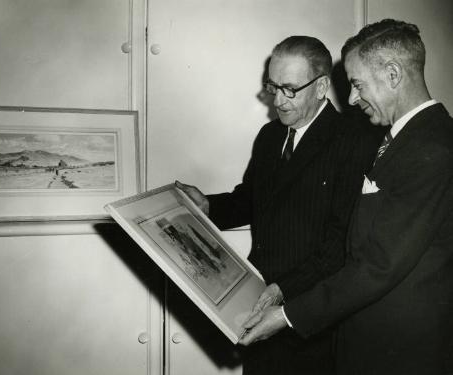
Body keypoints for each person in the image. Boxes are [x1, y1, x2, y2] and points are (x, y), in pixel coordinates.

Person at [238, 19, 453, 375]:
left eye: (356, 84)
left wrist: (288, 315)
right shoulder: (401, 140)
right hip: (372, 343)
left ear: (393, 75)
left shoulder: (432, 147)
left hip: (402, 352)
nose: (351, 98)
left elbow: (378, 264)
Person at [177, 35, 381, 374]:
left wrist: (283, 290)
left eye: (290, 89)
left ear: (321, 87)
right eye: (273, 87)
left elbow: (339, 243)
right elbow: (250, 200)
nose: (279, 101)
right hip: (258, 303)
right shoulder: (270, 136)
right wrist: (208, 206)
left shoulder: (354, 139)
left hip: (311, 319)